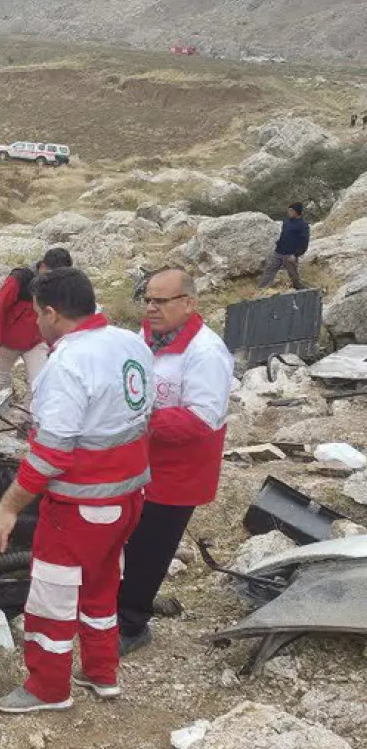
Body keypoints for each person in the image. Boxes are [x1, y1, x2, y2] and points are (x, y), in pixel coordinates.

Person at [0, 267, 153, 713]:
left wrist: (7, 508)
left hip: (81, 506)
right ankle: (101, 672)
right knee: (101, 587)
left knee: (51, 599)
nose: (36, 322)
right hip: (129, 498)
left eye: (37, 314)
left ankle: (48, 689)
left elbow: (51, 454)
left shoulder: (65, 364)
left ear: (52, 313)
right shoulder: (130, 342)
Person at [118, 269, 232, 654]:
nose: (151, 308)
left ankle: (131, 624)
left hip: (178, 472)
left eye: (160, 301)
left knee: (151, 547)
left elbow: (204, 418)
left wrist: (143, 421)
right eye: (148, 299)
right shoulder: (145, 338)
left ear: (188, 303)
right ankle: (112, 605)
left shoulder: (206, 352)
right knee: (124, 538)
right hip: (137, 463)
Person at [0, 247, 73, 397]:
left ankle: (31, 419)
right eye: (53, 275)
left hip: (36, 342)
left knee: (40, 384)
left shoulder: (60, 284)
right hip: (9, 342)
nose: (56, 280)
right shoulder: (20, 278)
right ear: (43, 267)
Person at [257, 203, 310, 291]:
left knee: (293, 276)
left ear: (297, 212)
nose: (289, 212)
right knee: (270, 269)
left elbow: (304, 242)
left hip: (290, 255)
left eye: (291, 210)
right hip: (279, 252)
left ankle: (302, 291)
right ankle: (261, 289)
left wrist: (296, 255)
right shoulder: (286, 221)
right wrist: (278, 244)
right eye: (289, 210)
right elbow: (283, 235)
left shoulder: (303, 225)